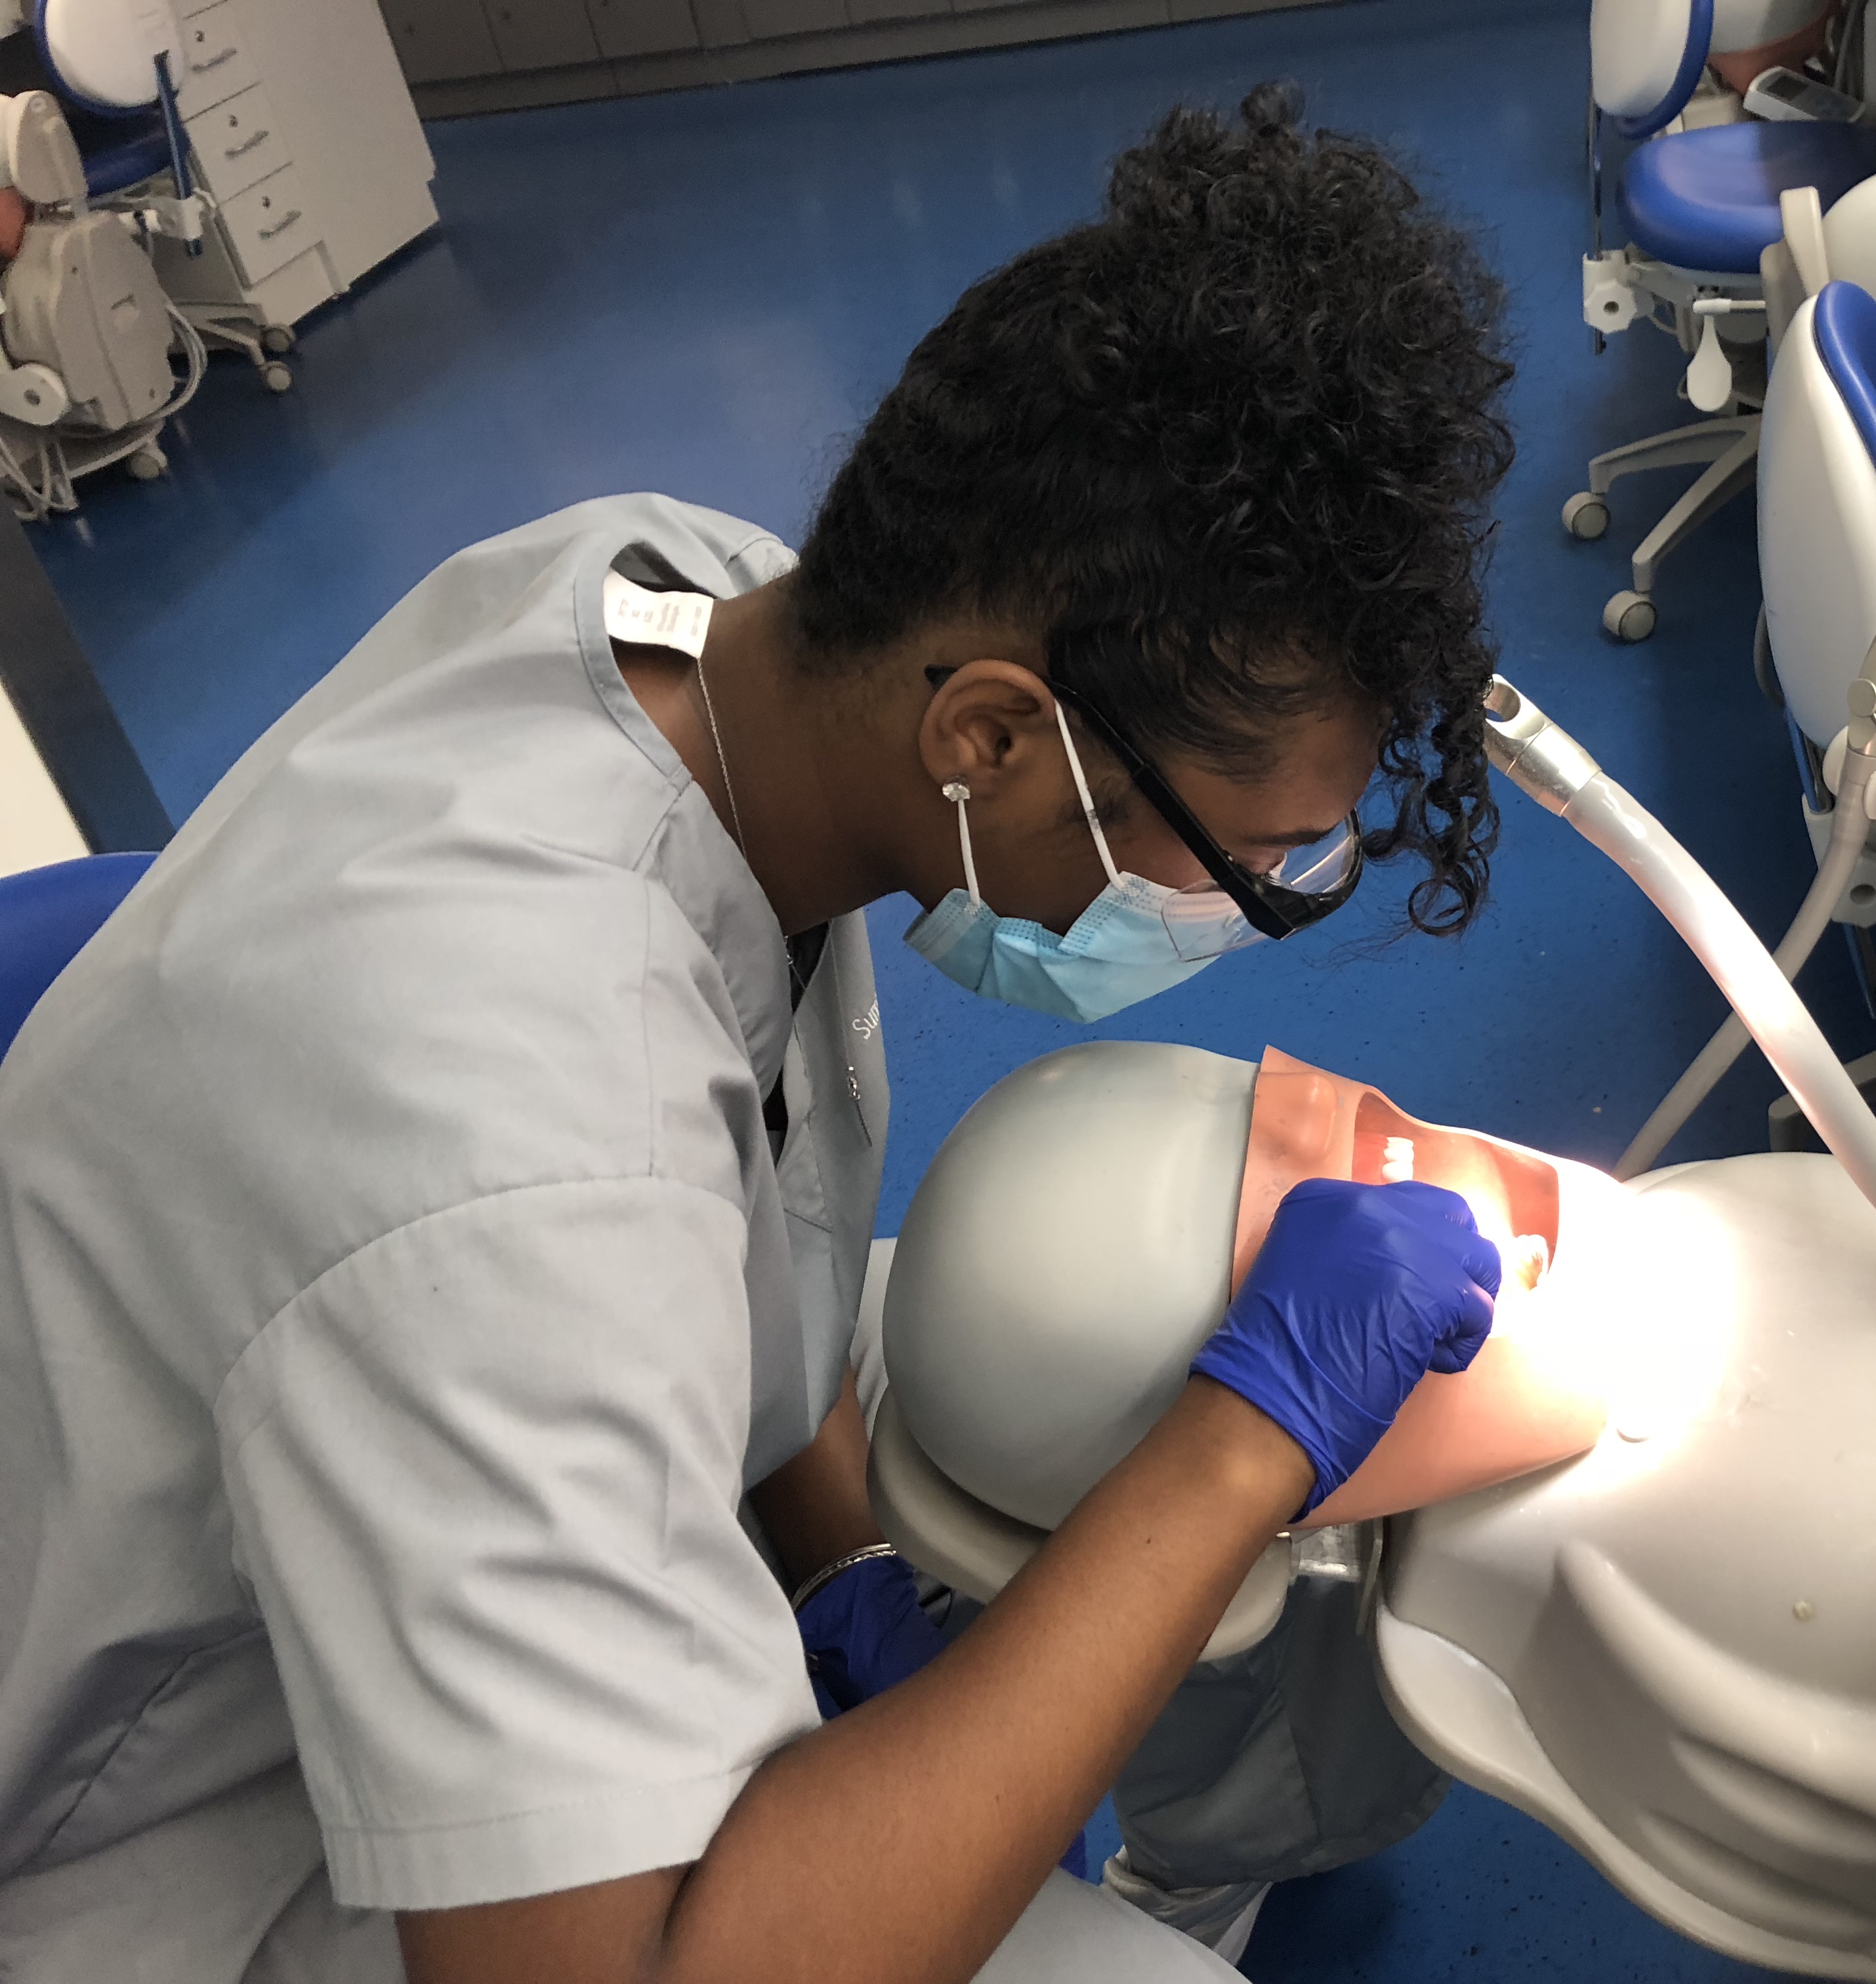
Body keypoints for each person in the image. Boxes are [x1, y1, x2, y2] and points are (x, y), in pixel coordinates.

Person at [0, 85, 1516, 1984]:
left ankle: (1157, 1827)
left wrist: (845, 1564)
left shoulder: (697, 607)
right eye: (1246, 863)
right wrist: (1236, 1455)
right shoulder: (509, 1156)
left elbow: (747, 1191)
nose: (1234, 919)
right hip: (186, 1848)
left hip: (411, 1414)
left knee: (1144, 1345)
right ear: (986, 738)